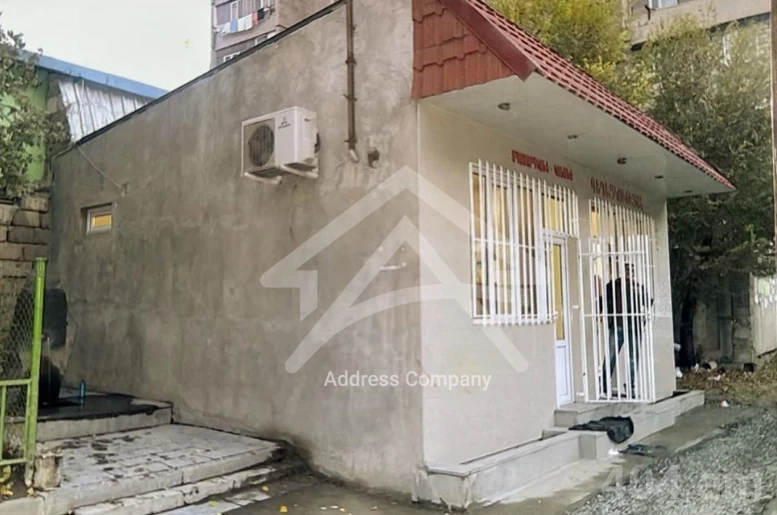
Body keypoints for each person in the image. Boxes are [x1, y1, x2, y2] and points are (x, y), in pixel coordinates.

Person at [598, 263, 651, 398]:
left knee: (633, 357)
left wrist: (644, 316)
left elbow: (648, 302)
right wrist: (599, 314)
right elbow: (603, 300)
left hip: (633, 325)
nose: (629, 273)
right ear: (621, 271)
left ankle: (630, 386)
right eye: (626, 270)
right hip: (618, 324)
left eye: (631, 271)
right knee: (610, 356)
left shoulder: (637, 287)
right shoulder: (612, 286)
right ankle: (603, 385)